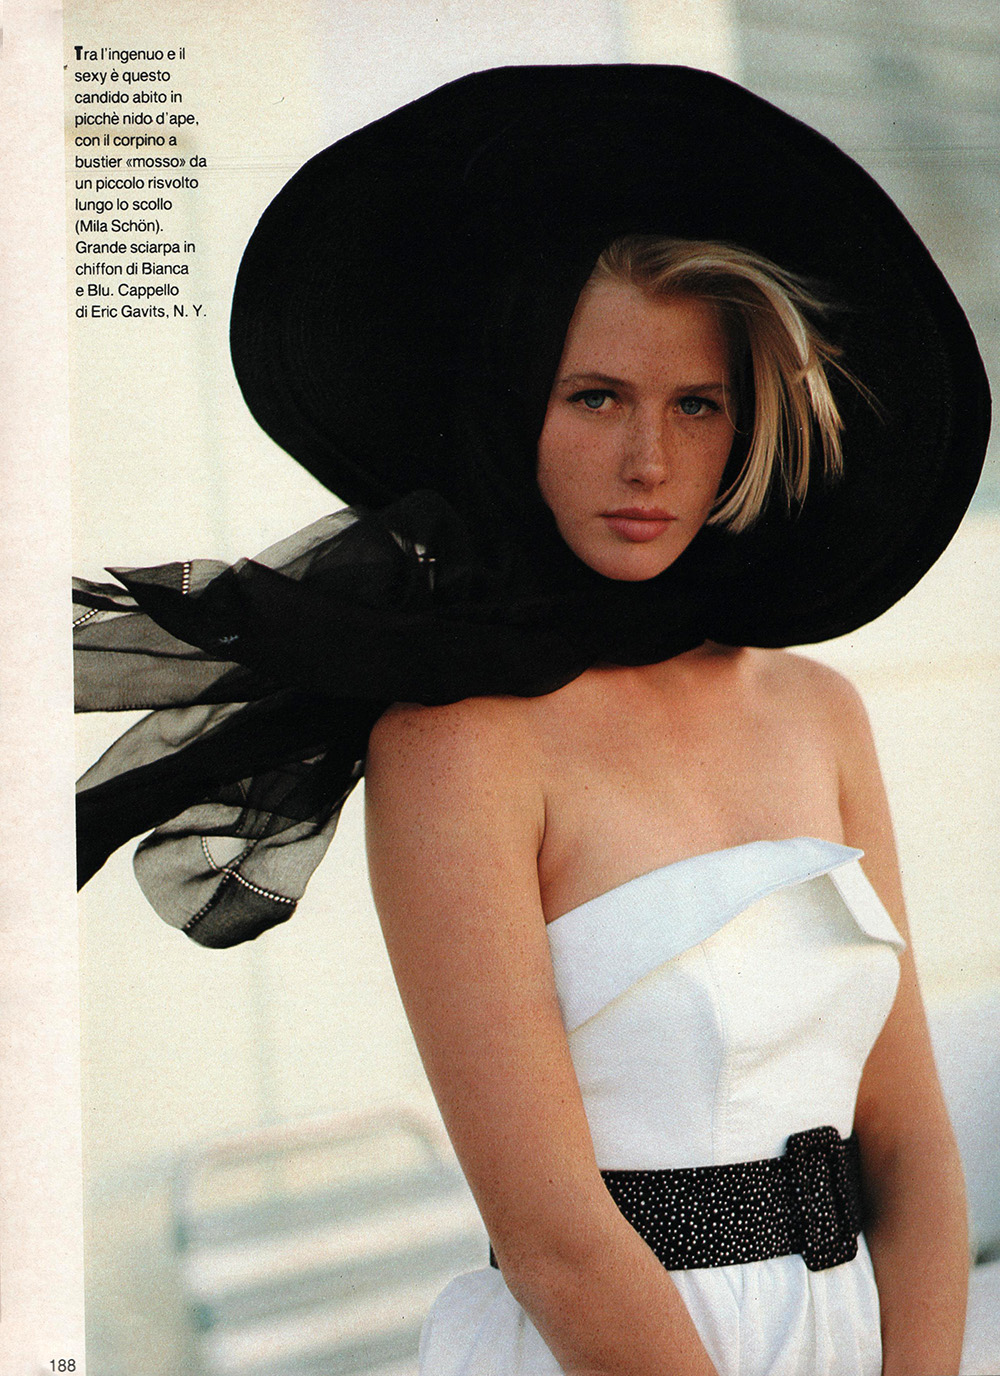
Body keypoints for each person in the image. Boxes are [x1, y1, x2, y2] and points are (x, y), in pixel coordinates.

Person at [74, 66, 989, 1375]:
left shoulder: (817, 711)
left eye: (697, 405)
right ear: (514, 410)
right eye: (595, 396)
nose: (648, 462)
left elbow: (913, 1149)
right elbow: (553, 1236)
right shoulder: (457, 744)